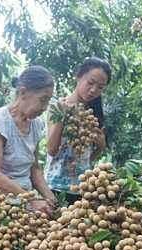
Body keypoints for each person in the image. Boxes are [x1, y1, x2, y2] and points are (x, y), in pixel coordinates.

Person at [0, 66, 56, 215]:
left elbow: (35, 169)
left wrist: (51, 199)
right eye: (43, 100)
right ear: (23, 92)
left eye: (48, 101)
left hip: (22, 203)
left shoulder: (36, 125)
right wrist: (31, 200)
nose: (45, 107)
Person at [45, 57, 111, 205]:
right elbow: (51, 149)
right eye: (90, 82)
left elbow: (88, 156)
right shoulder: (58, 107)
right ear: (79, 76)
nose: (94, 90)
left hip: (83, 188)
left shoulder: (93, 113)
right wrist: (63, 117)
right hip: (55, 187)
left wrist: (101, 145)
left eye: (100, 87)